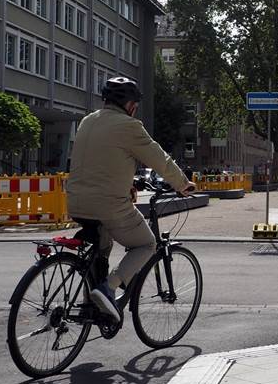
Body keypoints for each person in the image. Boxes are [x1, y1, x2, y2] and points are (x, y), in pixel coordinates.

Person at [66, 76, 195, 322]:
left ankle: (89, 306)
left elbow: (102, 161)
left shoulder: (87, 120)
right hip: (108, 205)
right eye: (135, 104)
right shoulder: (129, 125)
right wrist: (182, 184)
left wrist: (130, 181)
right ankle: (108, 288)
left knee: (100, 248)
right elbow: (160, 159)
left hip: (75, 202)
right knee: (146, 244)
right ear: (130, 104)